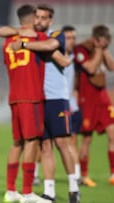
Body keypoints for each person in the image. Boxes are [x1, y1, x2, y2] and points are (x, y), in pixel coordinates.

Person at [0, 4, 80, 203]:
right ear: (33, 19)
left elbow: (54, 51)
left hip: (55, 97)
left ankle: (73, 186)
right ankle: (45, 191)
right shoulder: (34, 36)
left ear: (50, 20)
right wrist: (26, 34)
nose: (41, 21)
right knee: (40, 145)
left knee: (61, 142)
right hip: (35, 98)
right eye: (38, 17)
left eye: (45, 18)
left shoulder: (55, 35)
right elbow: (59, 57)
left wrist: (25, 42)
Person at [74, 24, 114, 187]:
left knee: (113, 134)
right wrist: (98, 50)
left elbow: (111, 67)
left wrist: (104, 50)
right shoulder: (81, 49)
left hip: (103, 99)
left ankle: (113, 173)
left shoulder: (103, 49)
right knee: (86, 140)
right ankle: (83, 176)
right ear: (96, 38)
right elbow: (90, 68)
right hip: (87, 101)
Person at [62, 25, 82, 183]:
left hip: (71, 105)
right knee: (43, 141)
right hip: (57, 103)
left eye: (74, 38)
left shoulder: (75, 57)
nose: (72, 41)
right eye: (68, 37)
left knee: (72, 140)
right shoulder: (55, 56)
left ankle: (77, 175)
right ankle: (34, 174)